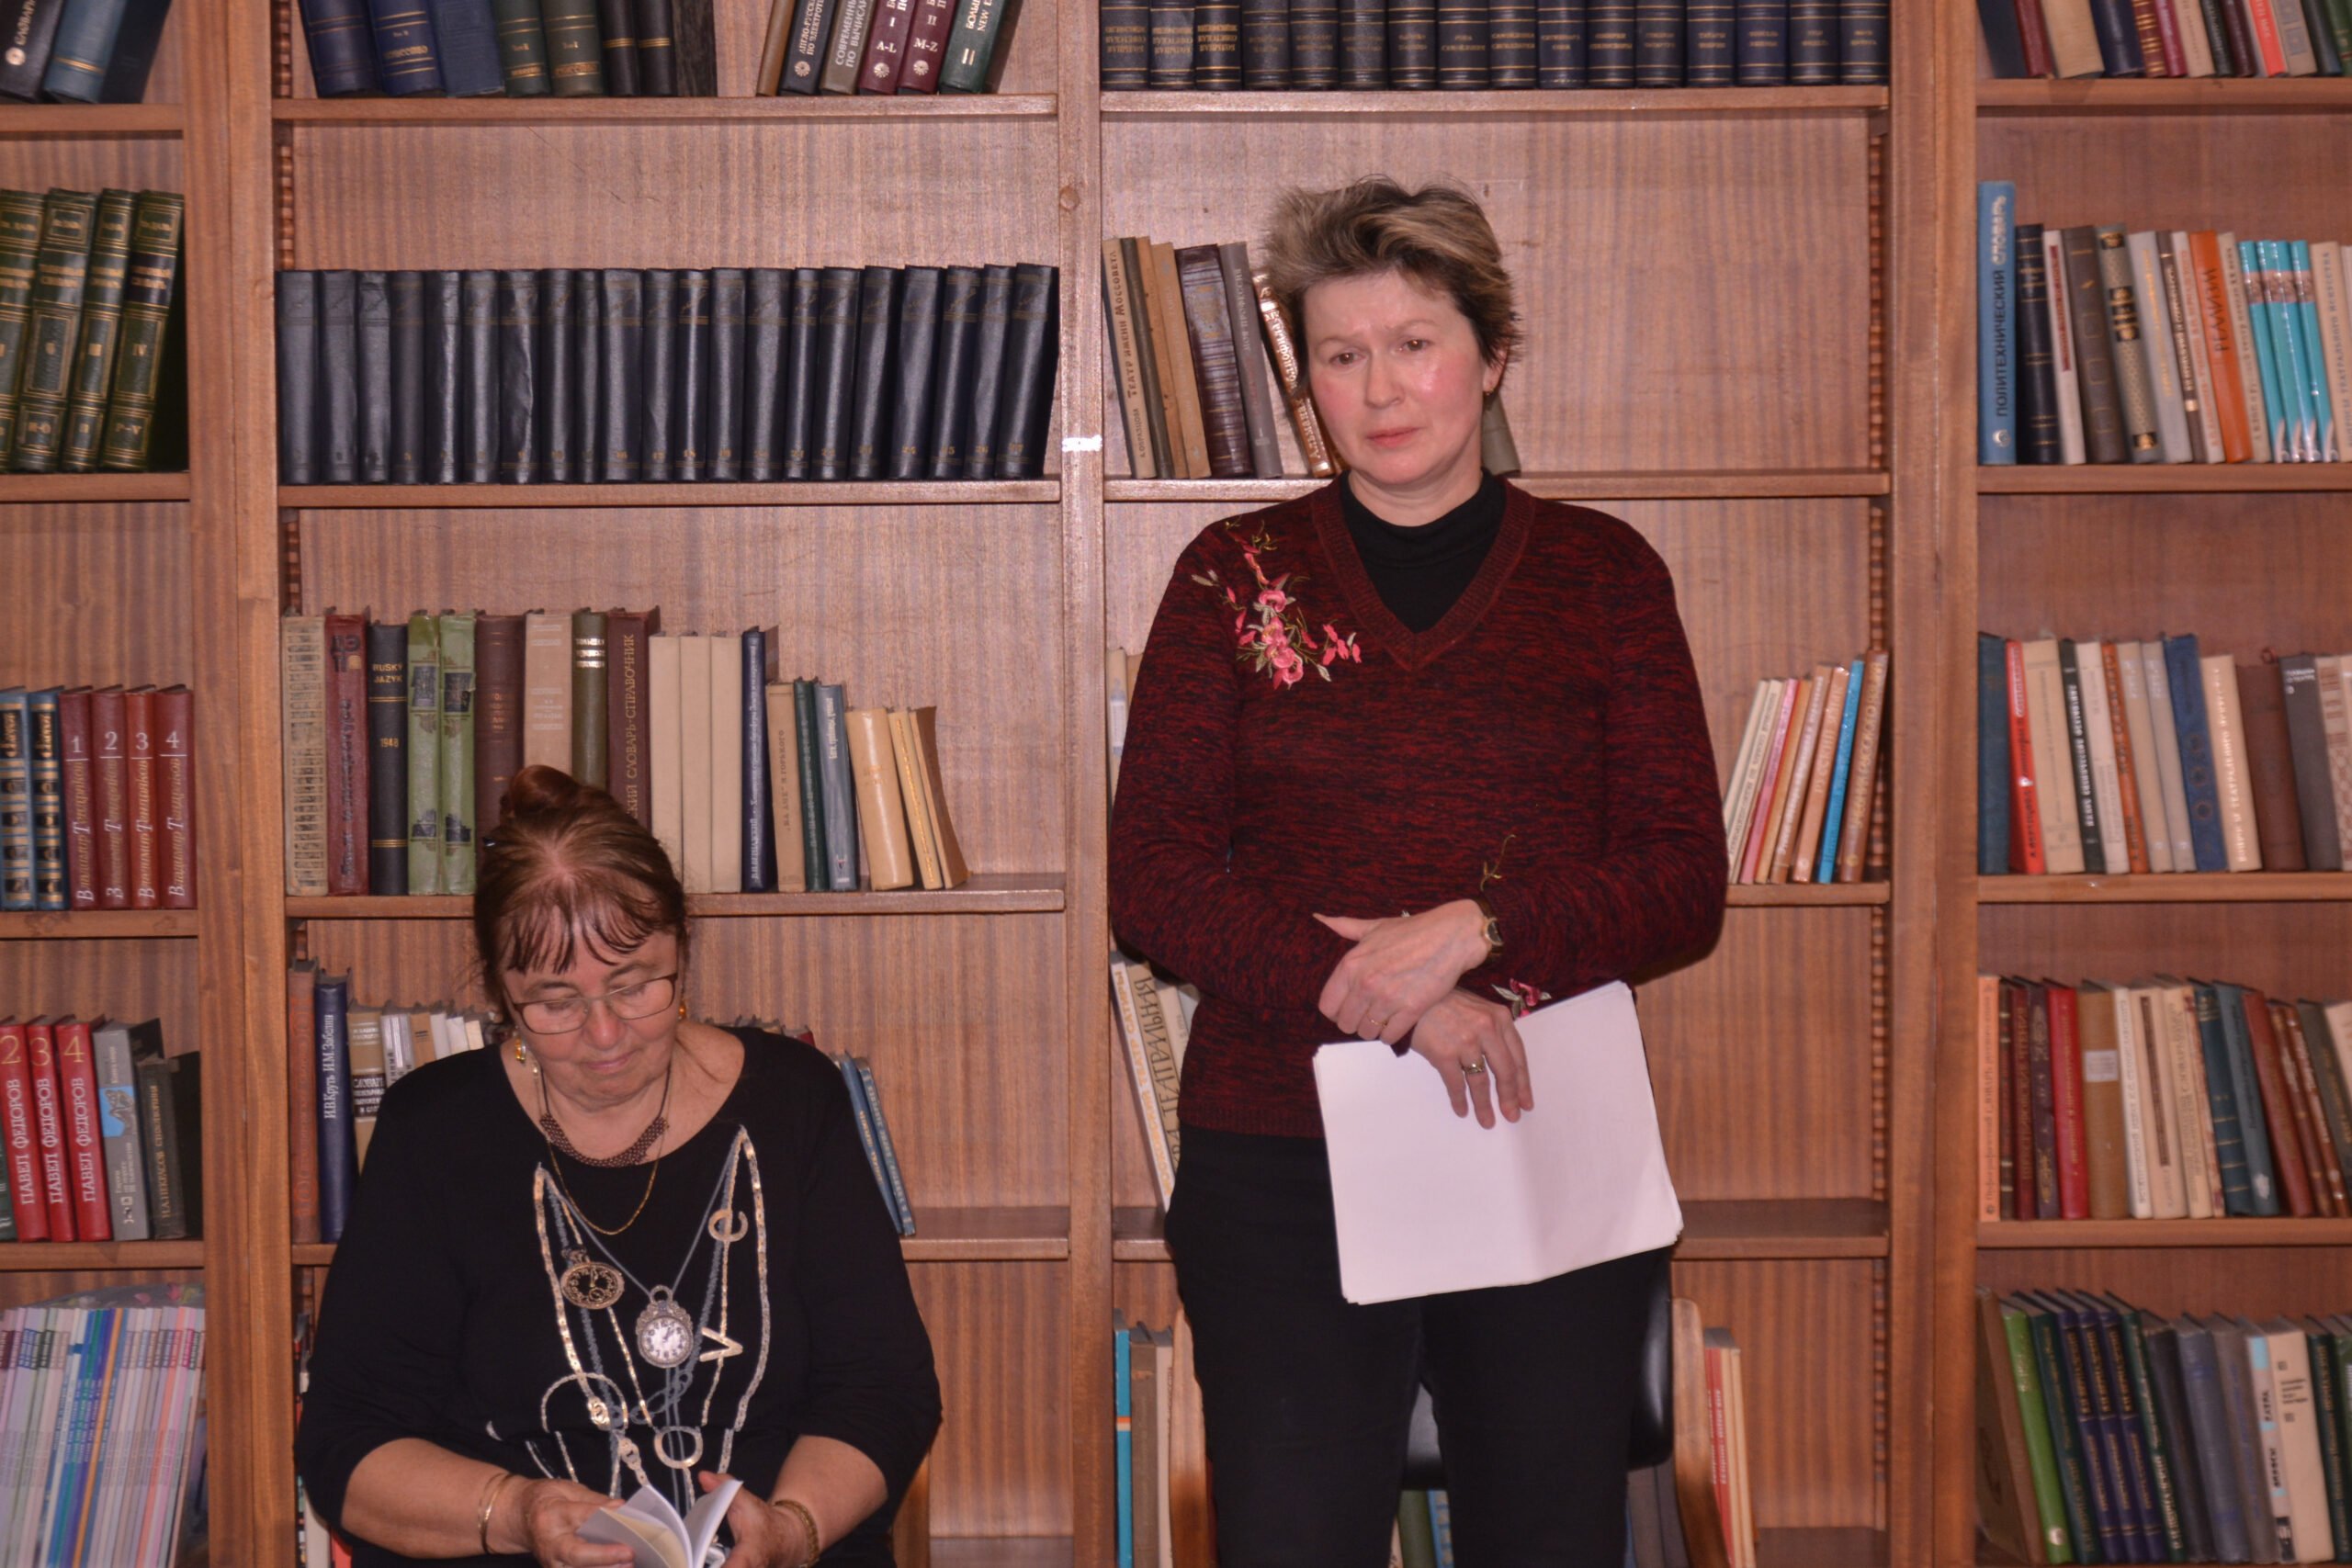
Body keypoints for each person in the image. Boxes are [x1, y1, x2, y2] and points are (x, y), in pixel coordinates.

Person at [1106, 177, 1729, 1565]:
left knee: (1550, 1538)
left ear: (1492, 355)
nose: (1380, 388)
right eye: (1341, 354)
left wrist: (1473, 928)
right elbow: (1151, 874)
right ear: (1307, 385)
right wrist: (1393, 995)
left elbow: (1683, 875)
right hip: (1283, 1155)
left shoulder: (1605, 575)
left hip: (1537, 1132)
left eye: (1414, 344)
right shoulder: (1231, 574)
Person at [296, 766, 941, 1567]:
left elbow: (882, 1388)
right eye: (556, 1001)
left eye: (633, 986)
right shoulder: (433, 1130)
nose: (604, 1035)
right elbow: (349, 1439)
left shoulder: (794, 1101)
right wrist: (518, 1513)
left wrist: (793, 1528)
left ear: (683, 950)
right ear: (501, 992)